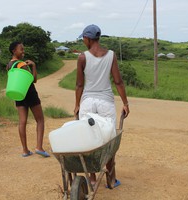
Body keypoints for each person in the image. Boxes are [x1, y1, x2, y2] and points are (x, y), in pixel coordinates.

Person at [74, 24, 130, 188]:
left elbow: (79, 85)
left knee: (89, 140)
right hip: (106, 102)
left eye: (83, 38)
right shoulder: (111, 55)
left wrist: (77, 105)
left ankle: (91, 178)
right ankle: (111, 180)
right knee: (109, 140)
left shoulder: (82, 57)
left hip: (88, 103)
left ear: (88, 38)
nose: (83, 41)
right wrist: (125, 103)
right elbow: (118, 81)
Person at [6, 41, 50, 158]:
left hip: (18, 94)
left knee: (22, 122)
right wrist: (33, 65)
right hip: (30, 93)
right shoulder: (21, 64)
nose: (23, 51)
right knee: (40, 120)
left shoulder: (9, 65)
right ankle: (39, 147)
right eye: (21, 49)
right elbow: (33, 80)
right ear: (14, 51)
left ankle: (25, 150)